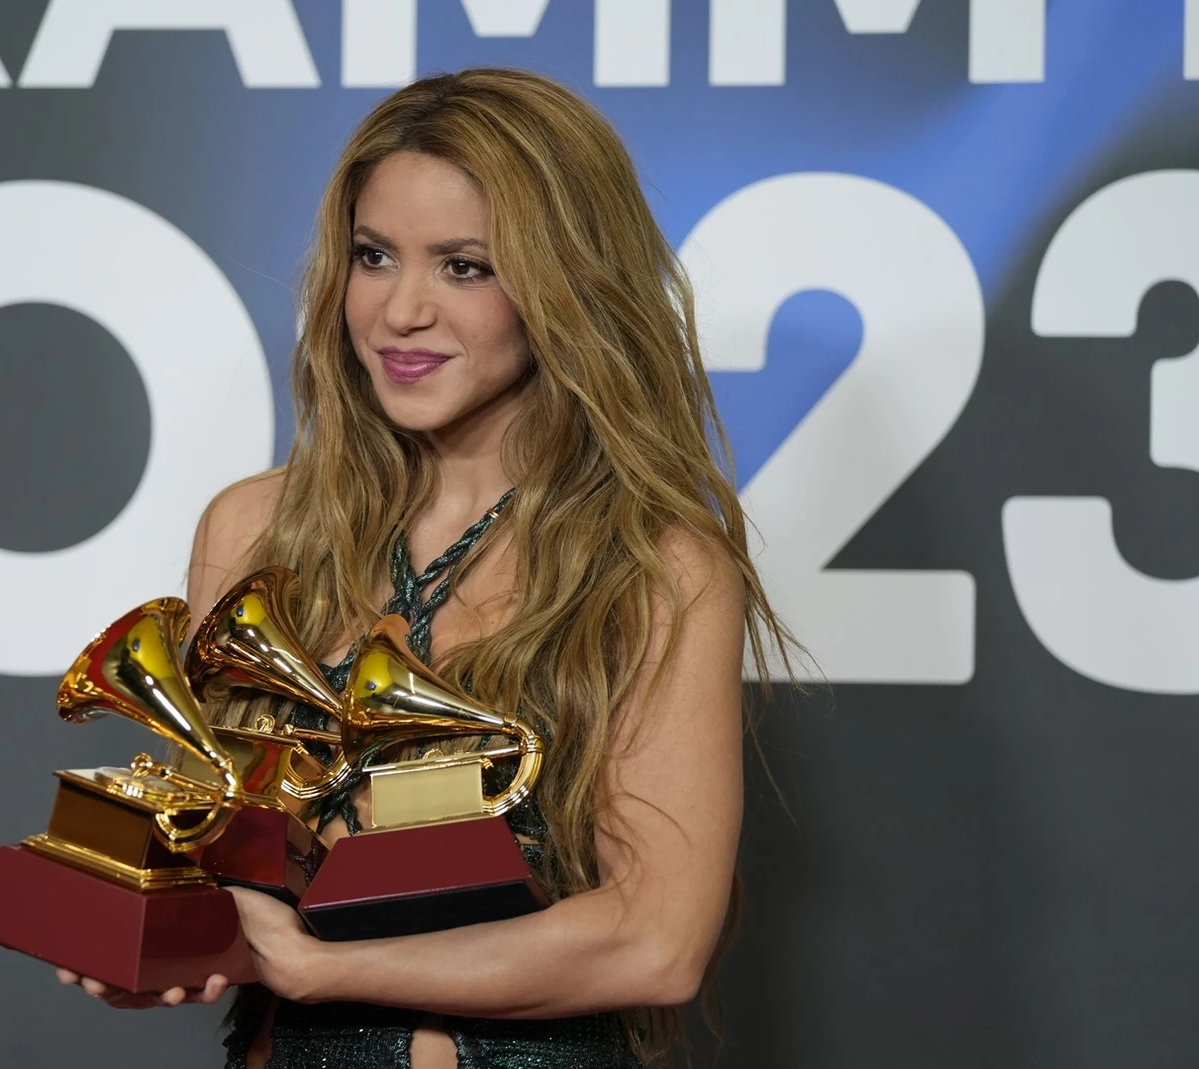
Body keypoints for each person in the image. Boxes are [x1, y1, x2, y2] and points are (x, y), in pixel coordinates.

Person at [57, 67, 795, 1068]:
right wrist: (159, 928)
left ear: (564, 285)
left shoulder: (658, 571)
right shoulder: (252, 531)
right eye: (374, 256)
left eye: (463, 267)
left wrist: (323, 967)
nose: (401, 311)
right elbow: (230, 863)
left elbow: (653, 944)